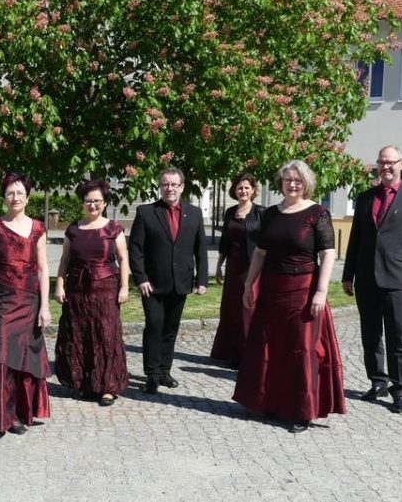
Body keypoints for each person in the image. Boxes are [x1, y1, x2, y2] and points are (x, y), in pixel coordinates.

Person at [232, 160, 346, 433]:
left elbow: (327, 253)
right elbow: (260, 252)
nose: (292, 184)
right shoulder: (271, 214)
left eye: (297, 180)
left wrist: (321, 291)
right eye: (287, 179)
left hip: (303, 289)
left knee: (301, 349)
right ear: (280, 183)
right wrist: (249, 285)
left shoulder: (317, 213)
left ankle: (301, 411)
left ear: (306, 183)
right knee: (268, 346)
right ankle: (268, 402)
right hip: (272, 289)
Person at [342, 145, 402, 414]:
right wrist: (348, 275)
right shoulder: (365, 197)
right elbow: (355, 239)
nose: (386, 167)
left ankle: (400, 390)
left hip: (398, 279)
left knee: (399, 337)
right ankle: (377, 381)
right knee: (370, 336)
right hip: (366, 279)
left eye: (391, 162)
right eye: (382, 162)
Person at [0, 172, 52, 437]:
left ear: (27, 197)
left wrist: (45, 306)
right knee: (0, 357)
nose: (15, 197)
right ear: (4, 197)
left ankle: (16, 413)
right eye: (9, 193)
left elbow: (42, 269)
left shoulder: (38, 228)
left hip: (29, 301)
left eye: (19, 193)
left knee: (24, 360)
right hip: (2, 301)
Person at [129, 167, 208, 394]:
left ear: (182, 187)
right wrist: (141, 278)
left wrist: (201, 279)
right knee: (154, 326)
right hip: (152, 284)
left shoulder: (194, 213)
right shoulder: (146, 212)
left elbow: (200, 248)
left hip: (180, 282)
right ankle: (152, 374)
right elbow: (136, 249)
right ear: (160, 186)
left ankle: (165, 371)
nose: (169, 188)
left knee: (171, 329)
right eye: (165, 184)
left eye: (174, 184)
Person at [54, 180, 129, 406]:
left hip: (105, 290)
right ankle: (87, 383)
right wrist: (59, 285)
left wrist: (124, 287)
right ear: (83, 204)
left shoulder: (113, 229)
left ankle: (107, 387)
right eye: (88, 201)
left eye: (97, 201)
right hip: (77, 291)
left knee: (105, 335)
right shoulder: (73, 229)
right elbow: (65, 260)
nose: (93, 205)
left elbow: (123, 259)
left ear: (104, 203)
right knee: (80, 334)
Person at [210, 173, 266, 369]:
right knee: (231, 309)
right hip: (233, 267)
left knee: (247, 310)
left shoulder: (261, 213)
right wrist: (218, 265)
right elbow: (225, 241)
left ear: (253, 190)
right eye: (240, 188)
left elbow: (266, 244)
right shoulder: (230, 212)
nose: (243, 191)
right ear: (235, 190)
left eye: (246, 188)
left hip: (252, 267)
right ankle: (230, 353)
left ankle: (248, 355)